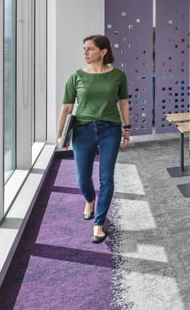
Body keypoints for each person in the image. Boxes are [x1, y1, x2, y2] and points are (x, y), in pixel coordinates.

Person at [57, 35, 131, 243]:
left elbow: (123, 103)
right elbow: (67, 107)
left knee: (106, 178)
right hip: (83, 130)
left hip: (110, 130)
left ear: (103, 51)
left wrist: (126, 129)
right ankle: (90, 200)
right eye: (84, 49)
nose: (85, 53)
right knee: (83, 177)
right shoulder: (77, 76)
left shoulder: (118, 75)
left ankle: (98, 223)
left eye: (90, 49)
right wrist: (60, 133)